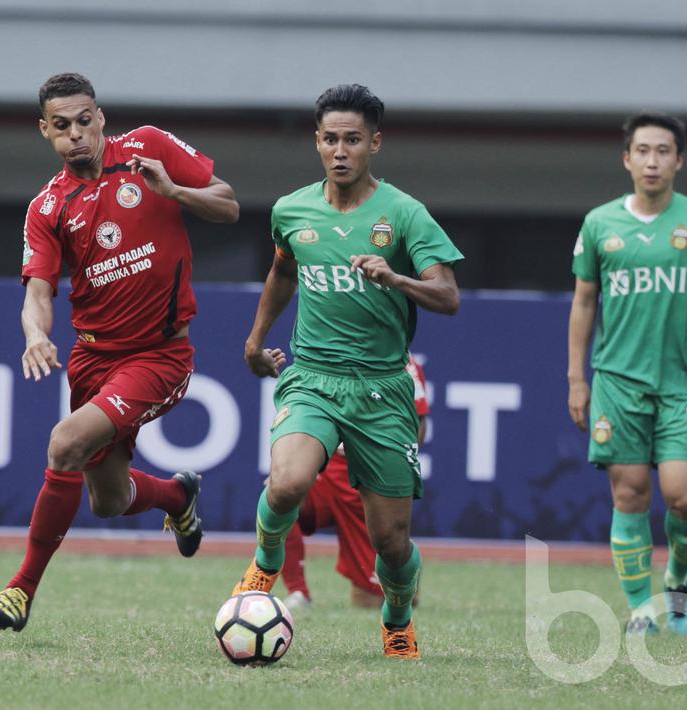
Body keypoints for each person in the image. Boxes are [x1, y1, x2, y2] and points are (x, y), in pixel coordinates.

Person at [0, 72, 239, 631]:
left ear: (101, 116)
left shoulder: (149, 150)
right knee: (109, 501)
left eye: (84, 120)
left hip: (160, 357)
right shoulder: (47, 207)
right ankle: (176, 496)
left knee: (65, 443)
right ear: (46, 131)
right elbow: (39, 291)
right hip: (93, 362)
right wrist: (35, 335)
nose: (77, 134)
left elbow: (229, 205)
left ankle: (20, 591)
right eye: (62, 126)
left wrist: (177, 192)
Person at [234, 84, 462, 660]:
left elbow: (447, 296)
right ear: (317, 142)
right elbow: (283, 271)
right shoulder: (292, 210)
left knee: (390, 541)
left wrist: (397, 279)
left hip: (383, 387)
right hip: (312, 374)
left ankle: (397, 618)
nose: (340, 150)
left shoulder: (404, 214)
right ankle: (263, 569)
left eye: (353, 140)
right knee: (286, 482)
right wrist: (257, 340)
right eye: (331, 139)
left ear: (374, 144)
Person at [567, 112, 687, 637]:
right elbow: (582, 304)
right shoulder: (600, 224)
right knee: (630, 495)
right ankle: (641, 607)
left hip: (682, 383)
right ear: (627, 159)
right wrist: (577, 379)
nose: (652, 160)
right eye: (642, 150)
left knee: (684, 496)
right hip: (617, 384)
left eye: (663, 151)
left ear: (679, 161)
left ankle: (680, 581)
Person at [279, 353, 430, 612]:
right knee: (280, 493)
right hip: (327, 467)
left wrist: (394, 465)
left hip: (366, 473)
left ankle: (402, 568)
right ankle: (298, 592)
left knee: (369, 600)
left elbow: (419, 421)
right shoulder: (326, 343)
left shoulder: (400, 358)